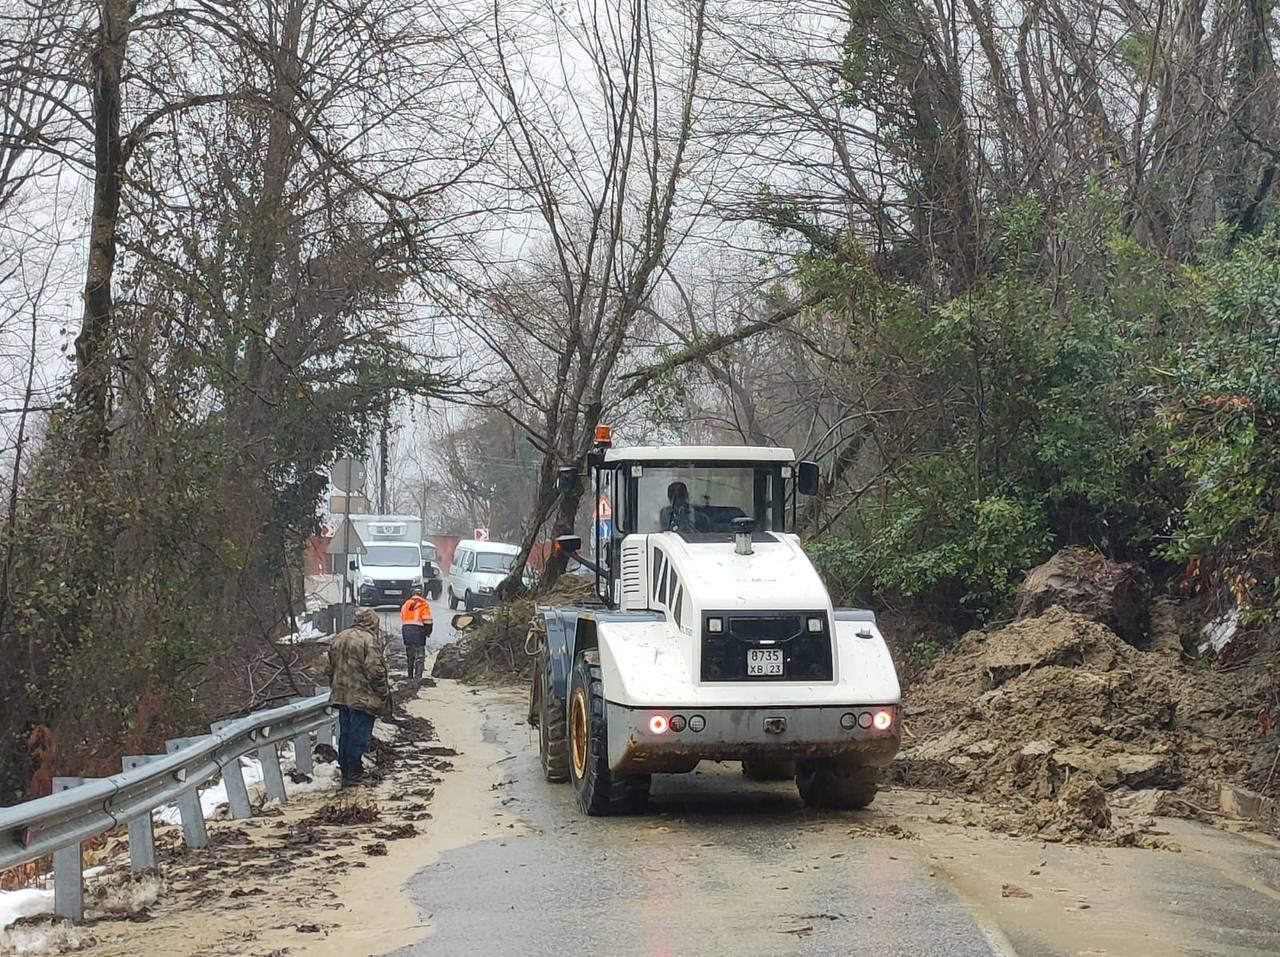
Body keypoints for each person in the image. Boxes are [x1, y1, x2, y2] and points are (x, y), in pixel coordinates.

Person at [326, 607, 391, 788]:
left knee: (345, 733)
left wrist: (335, 687)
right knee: (359, 736)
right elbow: (375, 671)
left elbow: (328, 668)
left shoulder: (339, 637)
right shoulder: (368, 641)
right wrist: (382, 693)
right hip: (362, 697)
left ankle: (346, 769)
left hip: (341, 695)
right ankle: (354, 771)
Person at [400, 588, 433, 681]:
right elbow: (428, 621)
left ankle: (410, 675)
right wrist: (427, 633)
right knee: (420, 656)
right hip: (418, 631)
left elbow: (403, 617)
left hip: (406, 630)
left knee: (410, 655)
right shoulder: (424, 604)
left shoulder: (406, 604)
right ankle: (418, 677)